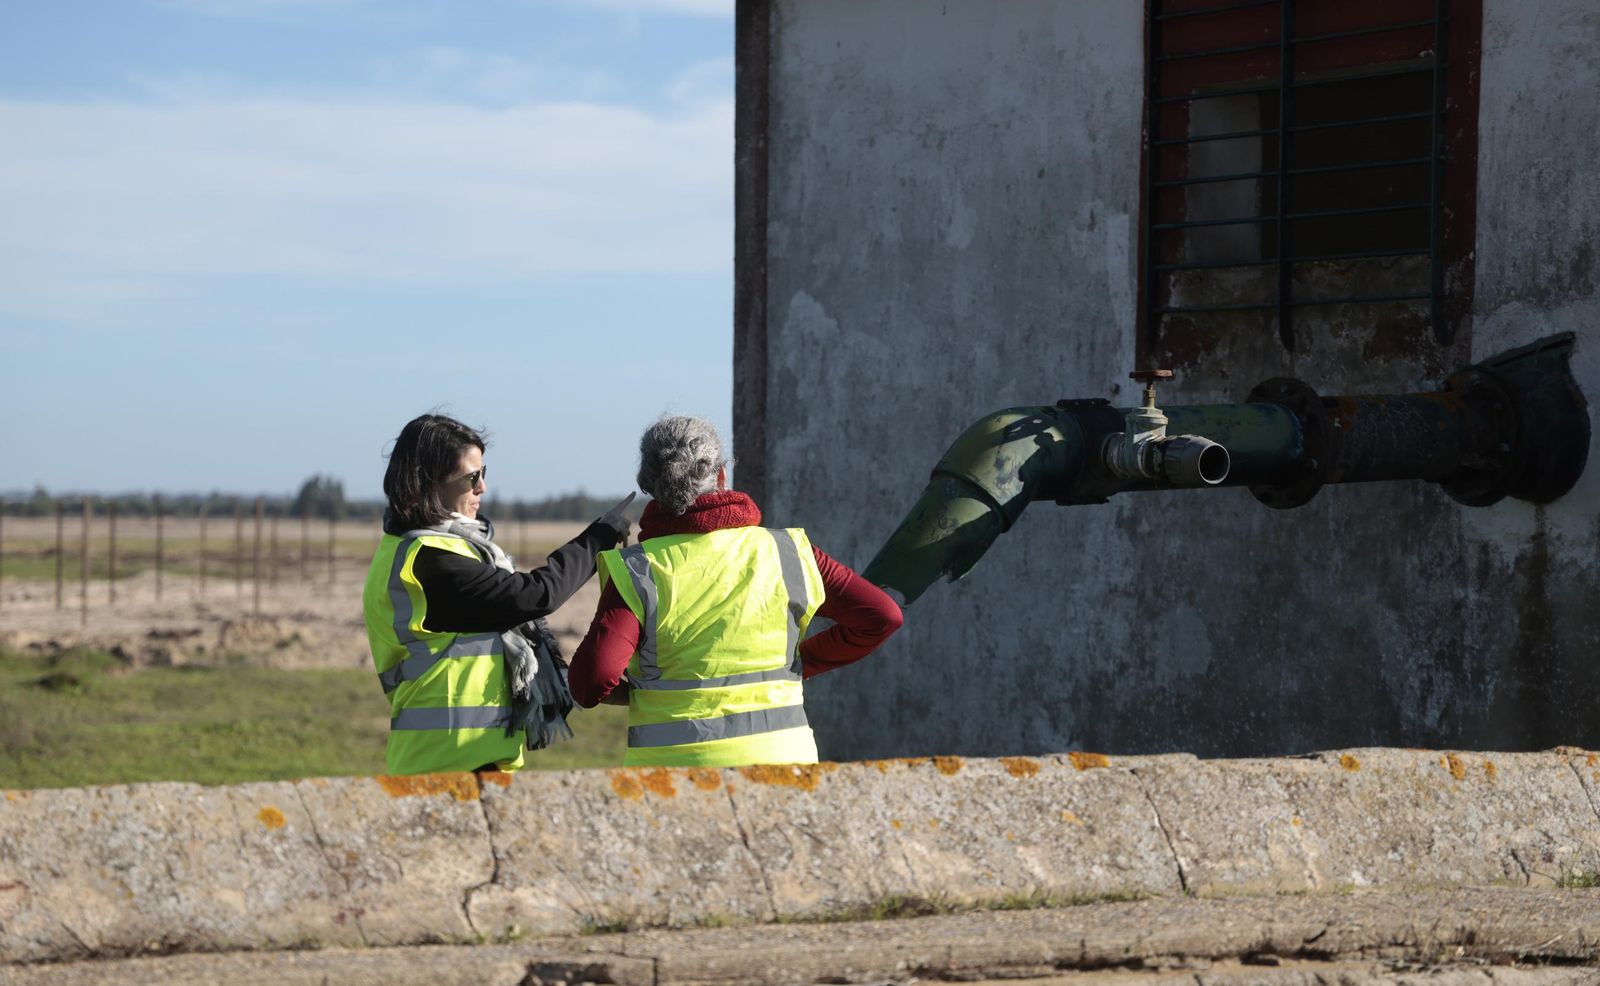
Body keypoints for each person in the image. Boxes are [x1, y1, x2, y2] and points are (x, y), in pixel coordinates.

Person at [568, 415, 903, 767]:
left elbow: (592, 680)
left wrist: (635, 694)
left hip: (674, 774)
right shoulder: (788, 551)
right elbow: (882, 616)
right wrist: (798, 664)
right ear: (722, 475)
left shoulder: (639, 569)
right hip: (786, 763)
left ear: (649, 484)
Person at [362, 413, 633, 776]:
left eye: (483, 473)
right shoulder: (428, 562)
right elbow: (534, 595)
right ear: (429, 482)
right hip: (446, 766)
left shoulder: (425, 549)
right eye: (472, 477)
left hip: (463, 760)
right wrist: (597, 539)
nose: (482, 488)